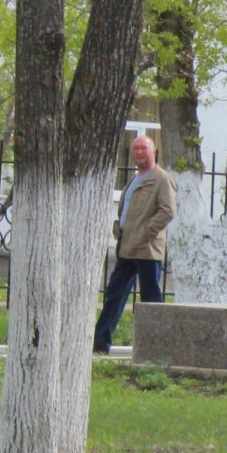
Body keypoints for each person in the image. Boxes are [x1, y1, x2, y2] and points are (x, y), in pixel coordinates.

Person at [93, 134, 176, 354]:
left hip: (147, 249)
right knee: (115, 293)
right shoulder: (134, 178)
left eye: (143, 149)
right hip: (127, 247)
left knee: (150, 299)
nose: (139, 153)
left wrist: (147, 232)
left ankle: (156, 346)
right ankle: (100, 342)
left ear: (153, 152)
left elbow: (168, 210)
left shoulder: (161, 178)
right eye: (136, 149)